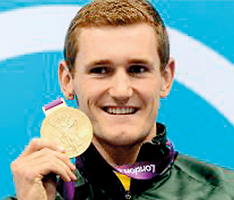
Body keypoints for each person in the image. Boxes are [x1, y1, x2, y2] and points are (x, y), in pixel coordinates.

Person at [5, 0, 234, 199]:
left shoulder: (226, 192)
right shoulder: (37, 197)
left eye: (137, 69)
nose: (121, 91)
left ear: (166, 78)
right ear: (67, 80)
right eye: (100, 70)